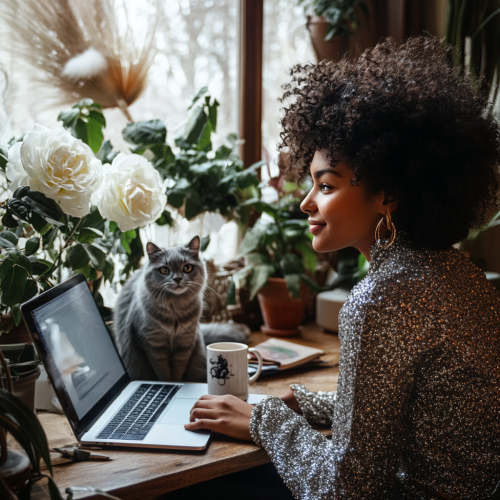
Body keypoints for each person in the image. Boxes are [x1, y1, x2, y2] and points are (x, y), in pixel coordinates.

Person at [183, 37, 500, 499]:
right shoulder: (459, 273)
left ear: (388, 194)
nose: (307, 201)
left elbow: (346, 490)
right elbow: (415, 413)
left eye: (325, 185)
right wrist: (306, 403)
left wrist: (264, 417)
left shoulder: (381, 300)